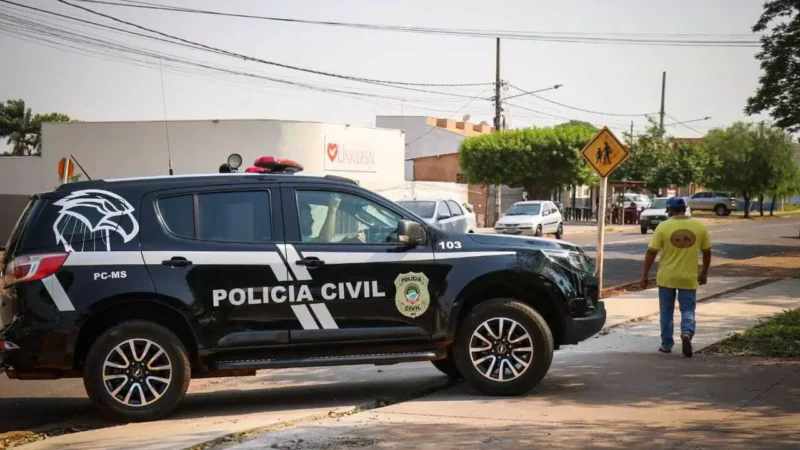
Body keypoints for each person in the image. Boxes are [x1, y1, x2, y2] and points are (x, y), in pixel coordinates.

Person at [641, 196, 711, 357]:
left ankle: (666, 344)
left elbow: (652, 252)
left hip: (667, 277)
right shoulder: (699, 227)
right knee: (688, 309)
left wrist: (645, 274)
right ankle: (686, 332)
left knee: (666, 311)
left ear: (670, 210)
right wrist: (704, 272)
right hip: (688, 277)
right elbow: (707, 252)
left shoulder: (663, 227)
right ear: (685, 209)